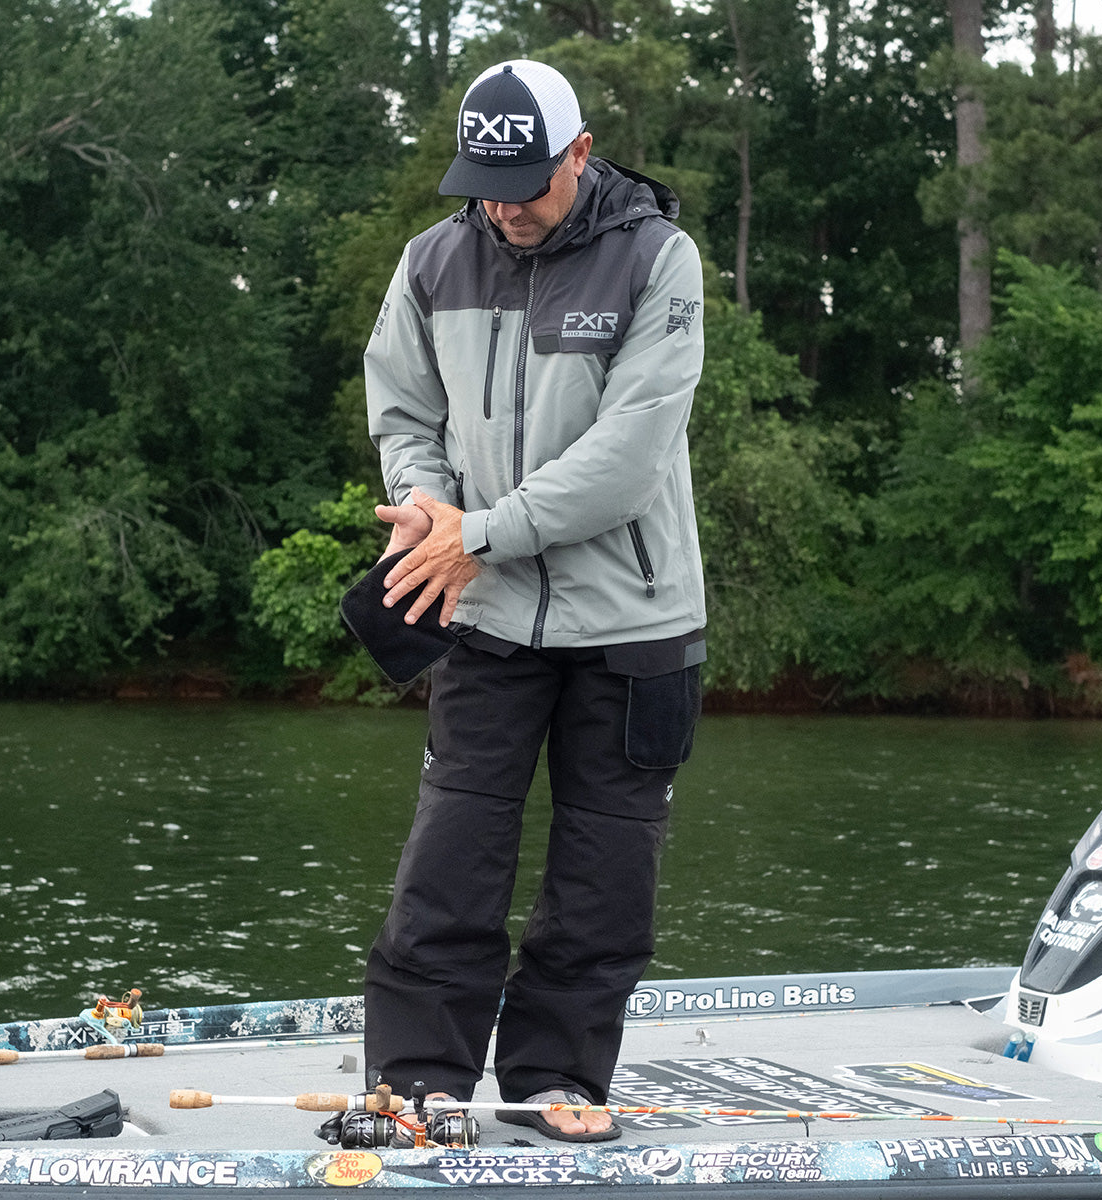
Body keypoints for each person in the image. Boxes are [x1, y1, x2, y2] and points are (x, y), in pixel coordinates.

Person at [360, 58, 706, 1144]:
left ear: (580, 152)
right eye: (485, 180)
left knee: (605, 878)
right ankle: (419, 1076)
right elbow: (403, 410)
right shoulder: (431, 260)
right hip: (486, 616)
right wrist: (422, 505)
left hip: (637, 628)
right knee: (450, 858)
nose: (503, 204)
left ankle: (558, 1080)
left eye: (525, 180)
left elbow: (629, 454)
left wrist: (483, 535)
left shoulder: (658, 258)